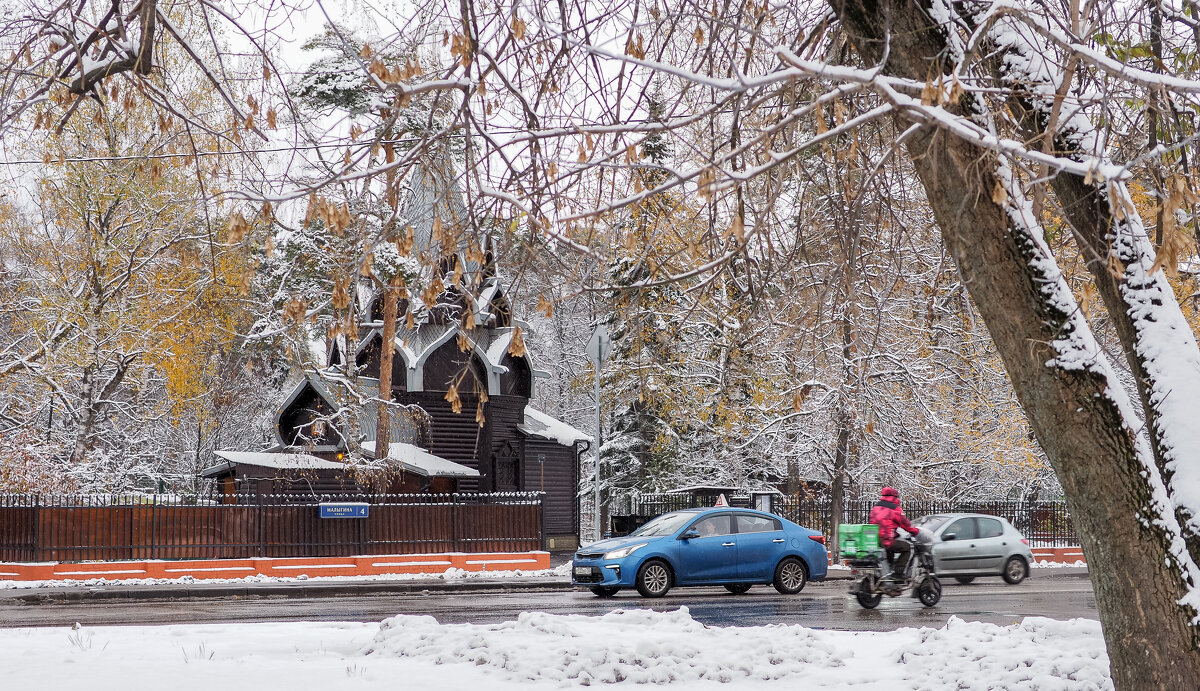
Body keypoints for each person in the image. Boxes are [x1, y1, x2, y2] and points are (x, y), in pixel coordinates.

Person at [868, 486, 920, 581]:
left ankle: (887, 572)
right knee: (907, 548)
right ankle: (898, 573)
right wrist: (915, 531)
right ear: (895, 497)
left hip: (875, 540)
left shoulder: (875, 507)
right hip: (886, 540)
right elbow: (905, 524)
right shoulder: (895, 509)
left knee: (890, 549)